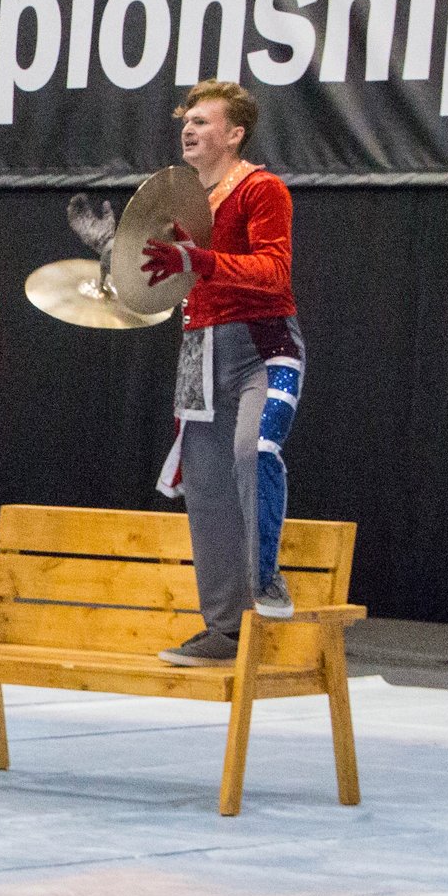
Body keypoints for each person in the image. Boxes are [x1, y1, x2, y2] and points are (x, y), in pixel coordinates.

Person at [143, 80, 305, 665]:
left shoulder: (262, 189)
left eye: (203, 121)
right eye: (186, 120)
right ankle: (224, 632)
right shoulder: (182, 205)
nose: (189, 128)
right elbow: (171, 285)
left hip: (264, 349)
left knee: (253, 449)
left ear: (234, 134)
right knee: (206, 493)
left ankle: (267, 577)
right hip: (199, 353)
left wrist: (200, 259)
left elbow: (274, 272)